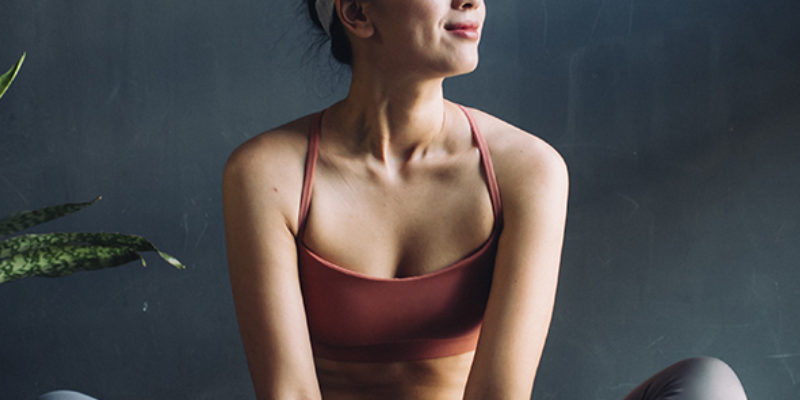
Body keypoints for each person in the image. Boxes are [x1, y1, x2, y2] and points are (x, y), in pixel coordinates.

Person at [221, 0, 748, 398]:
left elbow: (500, 395)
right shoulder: (268, 174)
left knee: (708, 385)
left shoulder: (527, 170)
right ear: (358, 12)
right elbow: (288, 393)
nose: (472, 0)